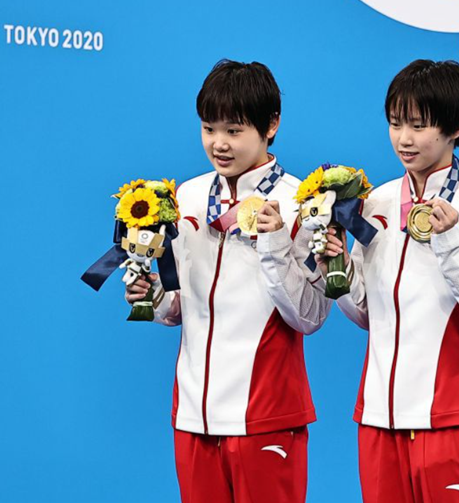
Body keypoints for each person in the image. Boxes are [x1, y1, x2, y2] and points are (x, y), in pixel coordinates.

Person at [318, 59, 459, 503]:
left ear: (456, 127)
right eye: (395, 123)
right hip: (379, 421)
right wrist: (340, 269)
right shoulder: (374, 204)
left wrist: (450, 244)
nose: (404, 139)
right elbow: (367, 314)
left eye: (418, 125)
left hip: (450, 422)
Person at [127, 59, 331, 503]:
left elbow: (311, 316)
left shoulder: (302, 204)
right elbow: (179, 306)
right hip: (194, 416)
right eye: (209, 128)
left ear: (271, 125)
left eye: (234, 130)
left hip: (266, 417)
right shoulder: (186, 196)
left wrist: (274, 242)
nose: (218, 143)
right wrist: (153, 296)